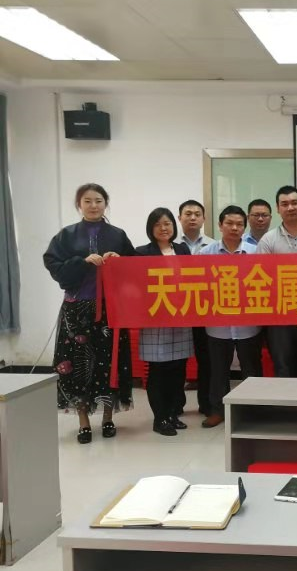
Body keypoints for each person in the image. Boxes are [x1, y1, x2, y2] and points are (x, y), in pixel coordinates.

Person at [43, 183, 135, 444]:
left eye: (98, 201)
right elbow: (53, 264)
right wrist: (81, 262)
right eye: (87, 201)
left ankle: (108, 417)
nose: (93, 205)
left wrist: (119, 260)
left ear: (106, 204)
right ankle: (83, 421)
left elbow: (134, 267)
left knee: (110, 364)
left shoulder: (118, 235)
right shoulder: (66, 235)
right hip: (77, 310)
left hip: (110, 309)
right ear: (79, 204)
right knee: (77, 365)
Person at [198, 205, 262, 427]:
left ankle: (253, 411)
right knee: (218, 371)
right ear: (220, 225)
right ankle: (218, 411)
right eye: (229, 223)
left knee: (251, 371)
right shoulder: (206, 253)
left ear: (245, 227)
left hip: (248, 324)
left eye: (239, 224)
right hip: (218, 324)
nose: (234, 228)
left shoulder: (256, 252)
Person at [135, 208, 193, 436]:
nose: (163, 228)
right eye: (158, 224)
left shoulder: (182, 249)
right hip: (155, 318)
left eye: (167, 223)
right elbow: (135, 283)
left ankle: (172, 413)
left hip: (180, 315)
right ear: (151, 228)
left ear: (174, 226)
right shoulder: (141, 253)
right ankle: (159, 418)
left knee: (178, 369)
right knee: (158, 370)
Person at [258, 186, 297, 376]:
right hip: (280, 313)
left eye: (294, 203)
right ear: (278, 209)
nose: (290, 207)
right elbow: (261, 278)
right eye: (284, 204)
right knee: (283, 364)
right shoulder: (268, 240)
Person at [178, 199, 214, 416]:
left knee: (206, 358)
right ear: (179, 217)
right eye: (188, 214)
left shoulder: (213, 246)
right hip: (177, 310)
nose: (192, 218)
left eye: (197, 214)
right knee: (177, 358)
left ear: (204, 218)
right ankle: (176, 403)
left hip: (204, 310)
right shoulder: (168, 245)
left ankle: (206, 403)